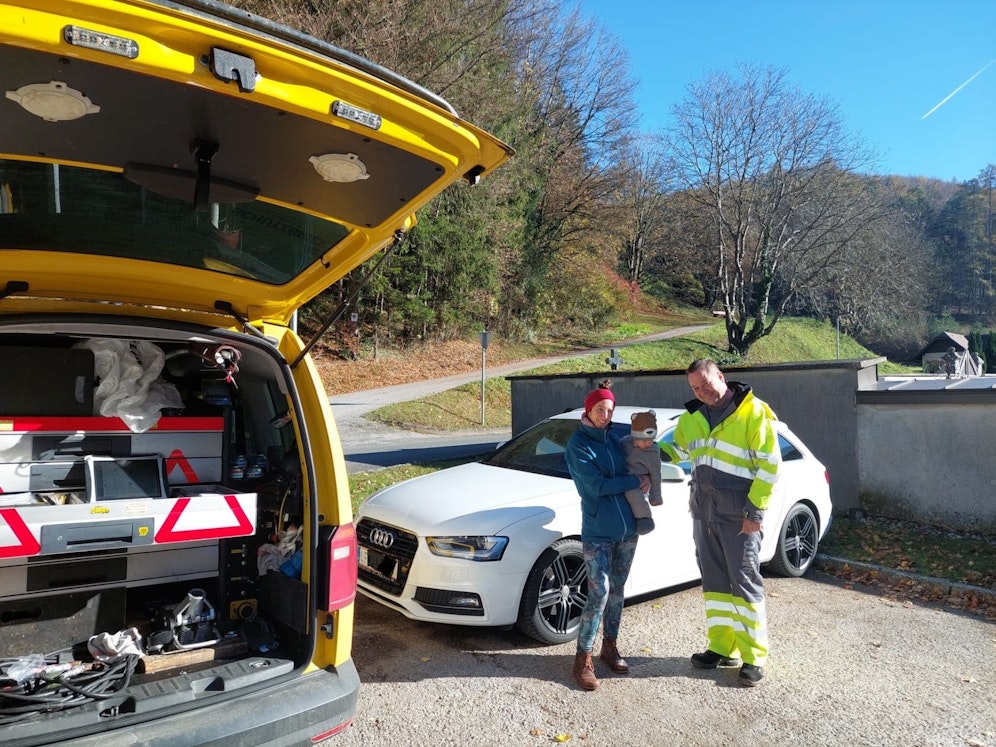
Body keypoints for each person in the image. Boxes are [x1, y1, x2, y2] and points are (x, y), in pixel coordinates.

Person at [661, 359, 780, 687]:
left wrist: (755, 513)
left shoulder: (754, 413)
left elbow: (769, 467)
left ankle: (753, 656)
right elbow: (674, 448)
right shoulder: (693, 417)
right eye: (695, 388)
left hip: (738, 518)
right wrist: (645, 447)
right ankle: (721, 646)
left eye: (706, 384)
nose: (702, 392)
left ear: (721, 377)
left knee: (744, 585)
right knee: (714, 585)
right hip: (704, 514)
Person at [564, 380, 649, 691]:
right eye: (599, 409)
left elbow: (643, 458)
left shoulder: (616, 439)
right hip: (598, 532)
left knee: (617, 591)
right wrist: (632, 481)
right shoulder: (578, 444)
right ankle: (582, 657)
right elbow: (594, 486)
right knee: (598, 592)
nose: (604, 414)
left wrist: (648, 479)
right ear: (589, 409)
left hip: (627, 530)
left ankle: (609, 646)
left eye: (609, 409)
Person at [621, 410, 663, 535]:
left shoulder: (653, 452)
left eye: (650, 440)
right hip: (621, 480)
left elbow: (656, 475)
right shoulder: (624, 444)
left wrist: (655, 496)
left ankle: (644, 518)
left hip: (637, 484)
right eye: (644, 441)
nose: (647, 444)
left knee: (634, 494)